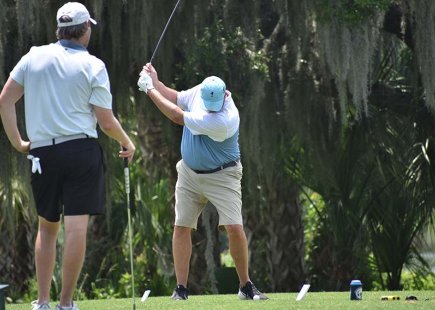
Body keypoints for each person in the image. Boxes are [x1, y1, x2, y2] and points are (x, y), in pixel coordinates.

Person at [0, 2, 135, 310]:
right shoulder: (93, 65)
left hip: (42, 152)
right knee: (76, 227)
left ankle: (43, 302)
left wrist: (19, 142)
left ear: (59, 30)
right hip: (81, 150)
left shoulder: (33, 56)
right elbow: (106, 121)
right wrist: (128, 142)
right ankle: (66, 303)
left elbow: (5, 101)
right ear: (86, 29)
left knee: (47, 227)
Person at [137, 63, 268, 301]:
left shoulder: (225, 120)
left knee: (234, 228)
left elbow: (177, 116)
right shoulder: (201, 91)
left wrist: (149, 91)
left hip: (223, 175)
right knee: (181, 226)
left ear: (225, 96)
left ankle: (245, 286)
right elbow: (176, 98)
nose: (209, 110)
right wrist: (155, 81)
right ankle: (181, 289)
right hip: (189, 173)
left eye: (213, 107)